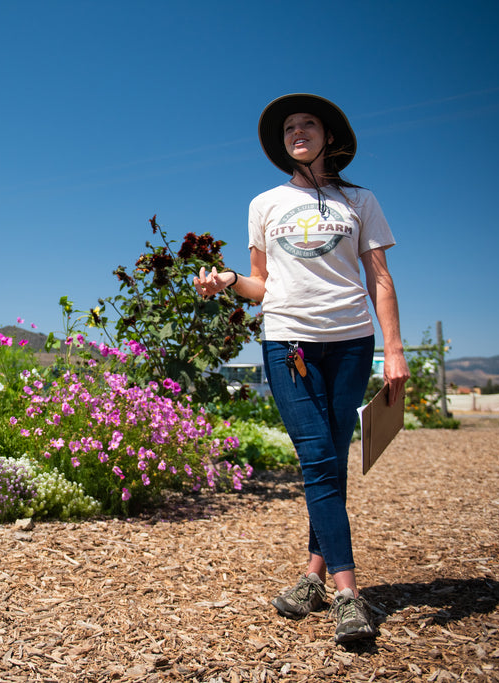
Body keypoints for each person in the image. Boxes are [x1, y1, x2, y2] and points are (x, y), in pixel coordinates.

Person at [194, 94, 409, 644]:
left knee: (331, 460)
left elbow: (380, 279)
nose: (297, 132)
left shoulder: (360, 200)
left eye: (307, 123)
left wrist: (395, 348)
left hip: (352, 341)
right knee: (317, 458)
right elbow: (259, 285)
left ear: (328, 136)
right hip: (288, 339)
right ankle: (348, 594)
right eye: (289, 127)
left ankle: (313, 575)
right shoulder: (264, 203)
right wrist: (226, 282)